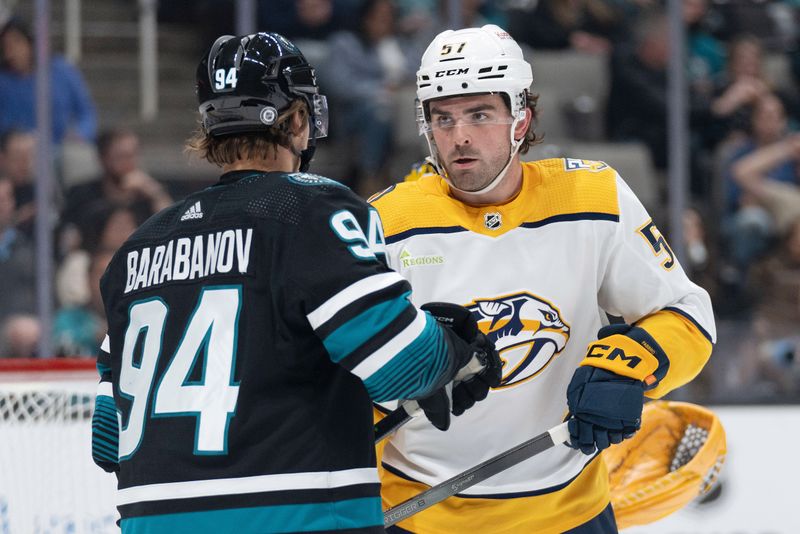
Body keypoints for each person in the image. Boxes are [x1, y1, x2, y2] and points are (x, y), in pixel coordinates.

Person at [90, 32, 501, 533]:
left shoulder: (135, 250)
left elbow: (108, 440)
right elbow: (404, 366)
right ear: (299, 119)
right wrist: (456, 353)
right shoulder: (310, 208)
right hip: (294, 518)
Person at [370, 25, 716, 532]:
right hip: (420, 517)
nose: (459, 136)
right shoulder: (384, 223)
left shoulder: (592, 197)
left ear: (521, 119)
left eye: (479, 114)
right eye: (443, 118)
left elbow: (688, 313)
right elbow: (343, 376)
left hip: (571, 513)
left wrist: (629, 366)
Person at [0, 18, 96, 144]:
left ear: (30, 42)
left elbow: (86, 113)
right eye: (6, 46)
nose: (12, 52)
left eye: (17, 43)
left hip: (61, 147)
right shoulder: (4, 82)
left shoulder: (62, 71)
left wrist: (80, 134)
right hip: (19, 152)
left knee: (77, 157)